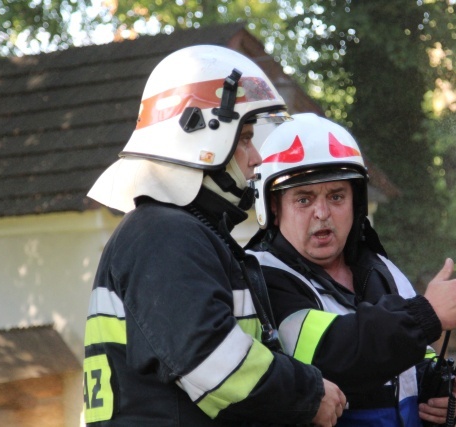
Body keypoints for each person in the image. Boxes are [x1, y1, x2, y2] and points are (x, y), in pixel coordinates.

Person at [83, 46, 346, 426]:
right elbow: (210, 358)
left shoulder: (180, 232)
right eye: (245, 139)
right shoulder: (163, 235)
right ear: (200, 140)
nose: (256, 157)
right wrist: (308, 394)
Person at [246, 113, 456, 426]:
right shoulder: (260, 277)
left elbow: (415, 354)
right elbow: (333, 355)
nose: (322, 213)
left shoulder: (381, 268)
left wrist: (438, 393)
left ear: (356, 202)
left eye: (336, 196)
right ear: (272, 208)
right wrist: (426, 314)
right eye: (303, 199)